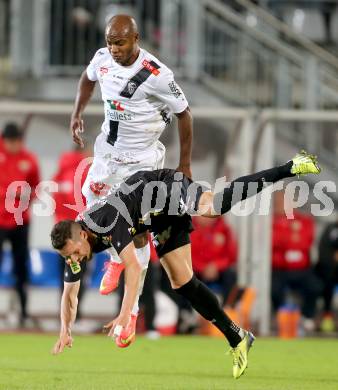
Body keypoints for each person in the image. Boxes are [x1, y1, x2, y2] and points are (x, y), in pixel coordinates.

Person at [50, 150, 320, 378]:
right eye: (69, 257)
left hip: (163, 186)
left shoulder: (105, 222)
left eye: (73, 253)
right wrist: (65, 330)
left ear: (82, 235)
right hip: (154, 217)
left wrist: (125, 313)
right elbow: (69, 293)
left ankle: (292, 166)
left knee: (212, 207)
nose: (74, 259)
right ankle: (238, 337)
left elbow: (133, 267)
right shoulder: (76, 246)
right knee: (182, 282)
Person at [70, 14, 192, 339]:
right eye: (110, 42)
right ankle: (114, 259)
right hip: (109, 153)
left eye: (120, 43)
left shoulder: (157, 74)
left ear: (136, 38)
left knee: (138, 233)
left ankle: (132, 315)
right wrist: (77, 112)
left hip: (141, 159)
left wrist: (186, 164)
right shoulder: (102, 58)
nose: (114, 49)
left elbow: (184, 113)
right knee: (91, 202)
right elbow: (87, 77)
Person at [0, 122, 40, 326]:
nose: (13, 145)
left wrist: (26, 197)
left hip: (20, 220)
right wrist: (9, 193)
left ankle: (23, 313)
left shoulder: (29, 159)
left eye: (16, 141)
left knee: (20, 268)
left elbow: (35, 187)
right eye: (10, 141)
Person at [271, 190, 322, 332]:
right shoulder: (272, 222)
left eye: (284, 201)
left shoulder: (304, 221)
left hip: (302, 269)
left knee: (315, 287)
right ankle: (281, 317)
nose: (280, 205)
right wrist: (290, 238)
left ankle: (307, 317)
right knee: (274, 289)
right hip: (280, 269)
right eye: (278, 201)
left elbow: (306, 242)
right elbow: (273, 241)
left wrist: (285, 240)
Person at [52, 145, 91, 319]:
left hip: (63, 233)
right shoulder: (87, 172)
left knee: (67, 273)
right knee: (79, 272)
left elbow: (56, 200)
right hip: (80, 233)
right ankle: (75, 315)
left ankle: (65, 314)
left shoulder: (61, 171)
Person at [191, 215, 237, 305]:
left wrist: (216, 266)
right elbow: (187, 254)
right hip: (197, 270)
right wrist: (203, 268)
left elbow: (231, 255)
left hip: (218, 271)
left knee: (231, 274)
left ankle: (228, 308)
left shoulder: (224, 229)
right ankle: (186, 310)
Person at [315, 216, 338, 329]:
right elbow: (323, 253)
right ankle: (326, 316)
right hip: (329, 272)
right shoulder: (331, 229)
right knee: (325, 286)